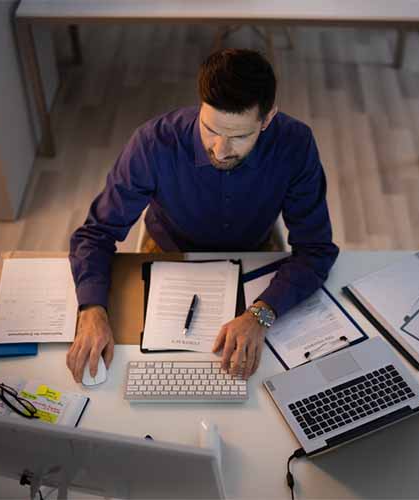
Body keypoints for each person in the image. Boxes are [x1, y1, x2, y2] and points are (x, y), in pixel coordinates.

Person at [67, 48, 338, 382]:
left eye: (239, 136)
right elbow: (95, 234)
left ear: (267, 119)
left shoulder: (295, 144)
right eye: (211, 129)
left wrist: (260, 315)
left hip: (255, 256)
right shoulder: (154, 143)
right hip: (169, 251)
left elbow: (316, 250)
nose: (220, 150)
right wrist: (91, 309)